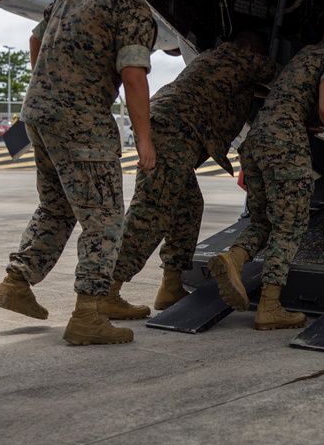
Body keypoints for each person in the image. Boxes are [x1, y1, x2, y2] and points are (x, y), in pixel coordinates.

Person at [0, 0, 163, 346]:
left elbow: (36, 38)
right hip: (82, 122)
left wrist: (48, 86)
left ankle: (17, 281)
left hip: (39, 115)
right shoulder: (132, 8)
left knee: (58, 206)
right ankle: (89, 313)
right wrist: (144, 140)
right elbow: (134, 76)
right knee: (104, 220)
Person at [107, 30, 278, 318]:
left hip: (171, 131)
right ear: (250, 50)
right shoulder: (239, 57)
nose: (258, 60)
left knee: (187, 207)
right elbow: (280, 75)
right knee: (150, 212)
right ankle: (106, 290)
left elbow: (250, 87)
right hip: (173, 135)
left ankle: (170, 286)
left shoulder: (221, 62)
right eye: (258, 55)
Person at [208, 19, 324, 330]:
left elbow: (296, 97)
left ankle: (233, 259)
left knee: (264, 218)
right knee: (289, 224)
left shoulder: (303, 56)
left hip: (257, 140)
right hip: (284, 144)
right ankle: (270, 306)